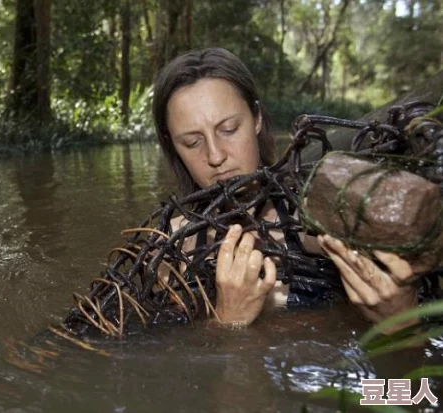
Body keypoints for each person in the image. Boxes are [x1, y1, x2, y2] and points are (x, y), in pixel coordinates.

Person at [152, 47, 422, 332]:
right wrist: (228, 319)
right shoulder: (169, 248)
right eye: (192, 143)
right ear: (173, 146)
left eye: (229, 129)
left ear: (256, 118)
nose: (216, 156)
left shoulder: (322, 220)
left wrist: (403, 318)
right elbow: (167, 359)